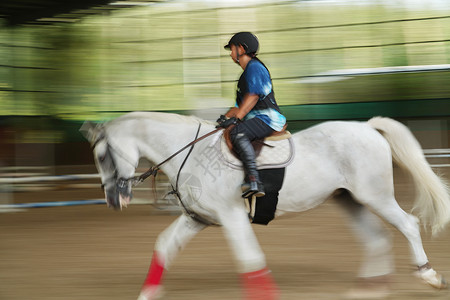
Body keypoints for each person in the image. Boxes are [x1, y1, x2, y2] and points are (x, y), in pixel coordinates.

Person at [217, 32, 286, 198]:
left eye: (232, 49)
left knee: (237, 133)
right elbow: (238, 106)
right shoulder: (245, 74)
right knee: (226, 131)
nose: (231, 53)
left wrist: (237, 118)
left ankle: (254, 180)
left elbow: (253, 97)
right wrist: (224, 119)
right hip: (255, 118)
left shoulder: (255, 67)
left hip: (267, 118)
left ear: (241, 49)